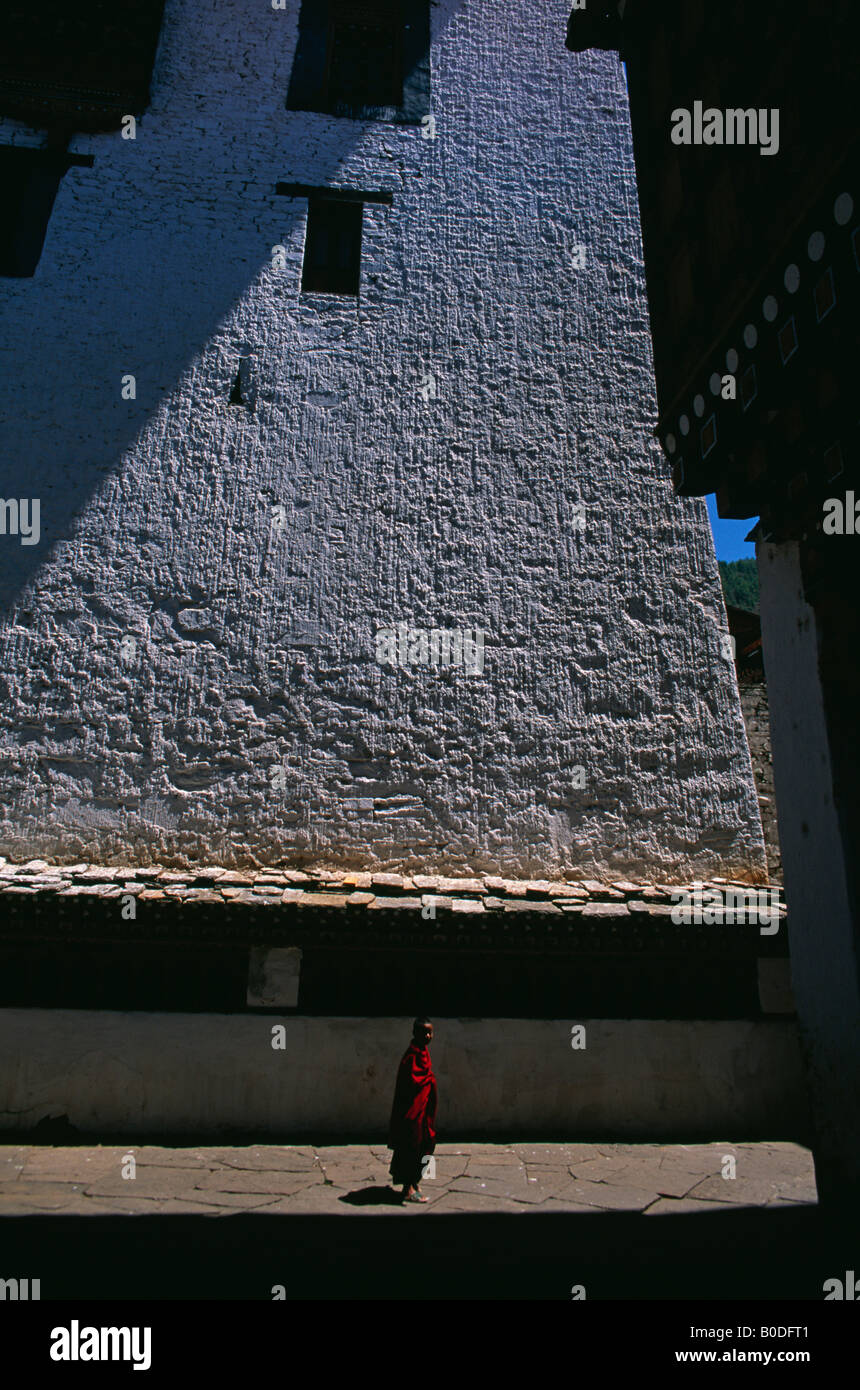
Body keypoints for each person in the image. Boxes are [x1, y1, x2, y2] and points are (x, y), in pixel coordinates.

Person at [388, 1017, 437, 1203]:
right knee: (410, 1147)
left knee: (426, 1145)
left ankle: (415, 1182)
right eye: (424, 1032)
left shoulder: (423, 1053)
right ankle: (407, 1188)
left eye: (430, 1032)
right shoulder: (411, 1057)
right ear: (414, 1033)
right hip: (411, 1114)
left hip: (423, 1113)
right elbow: (410, 1085)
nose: (428, 1036)